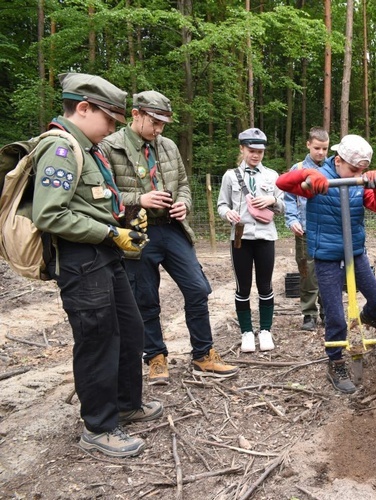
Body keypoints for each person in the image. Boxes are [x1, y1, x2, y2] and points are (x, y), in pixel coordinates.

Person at [32, 73, 162, 457]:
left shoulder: (90, 149)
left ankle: (125, 404)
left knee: (130, 327)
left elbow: (97, 199)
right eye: (108, 119)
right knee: (97, 339)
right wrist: (108, 234)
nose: (111, 129)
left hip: (105, 254)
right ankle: (99, 426)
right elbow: (49, 214)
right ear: (83, 108)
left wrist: (127, 215)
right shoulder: (59, 148)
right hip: (81, 260)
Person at [101, 90, 238, 383]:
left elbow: (185, 185)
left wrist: (184, 204)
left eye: (164, 123)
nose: (159, 129)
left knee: (198, 288)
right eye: (155, 122)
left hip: (172, 229)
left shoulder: (168, 146)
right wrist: (141, 199)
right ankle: (155, 357)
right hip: (137, 232)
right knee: (145, 298)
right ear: (136, 115)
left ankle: (203, 354)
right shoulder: (110, 146)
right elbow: (104, 195)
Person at [276, 134, 376, 394]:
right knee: (335, 315)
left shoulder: (358, 180)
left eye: (362, 170)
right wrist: (307, 175)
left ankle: (370, 316)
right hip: (327, 256)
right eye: (353, 170)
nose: (358, 174)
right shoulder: (318, 177)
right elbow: (282, 182)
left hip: (356, 253)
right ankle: (336, 364)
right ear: (338, 160)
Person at [217, 128, 285, 353]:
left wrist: (272, 199)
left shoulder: (272, 176)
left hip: (266, 236)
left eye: (260, 151)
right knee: (243, 287)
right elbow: (222, 204)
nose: (256, 155)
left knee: (265, 285)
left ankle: (265, 330)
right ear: (242, 149)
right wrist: (227, 214)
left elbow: (284, 206)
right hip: (241, 238)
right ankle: (246, 332)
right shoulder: (230, 176)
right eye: (251, 150)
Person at [284, 127, 330, 331]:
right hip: (305, 230)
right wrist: (292, 219)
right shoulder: (298, 169)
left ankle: (328, 311)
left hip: (328, 230)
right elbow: (289, 198)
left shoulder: (331, 168)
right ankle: (309, 314)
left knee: (328, 273)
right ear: (308, 145)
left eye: (325, 148)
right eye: (317, 148)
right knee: (307, 272)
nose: (321, 152)